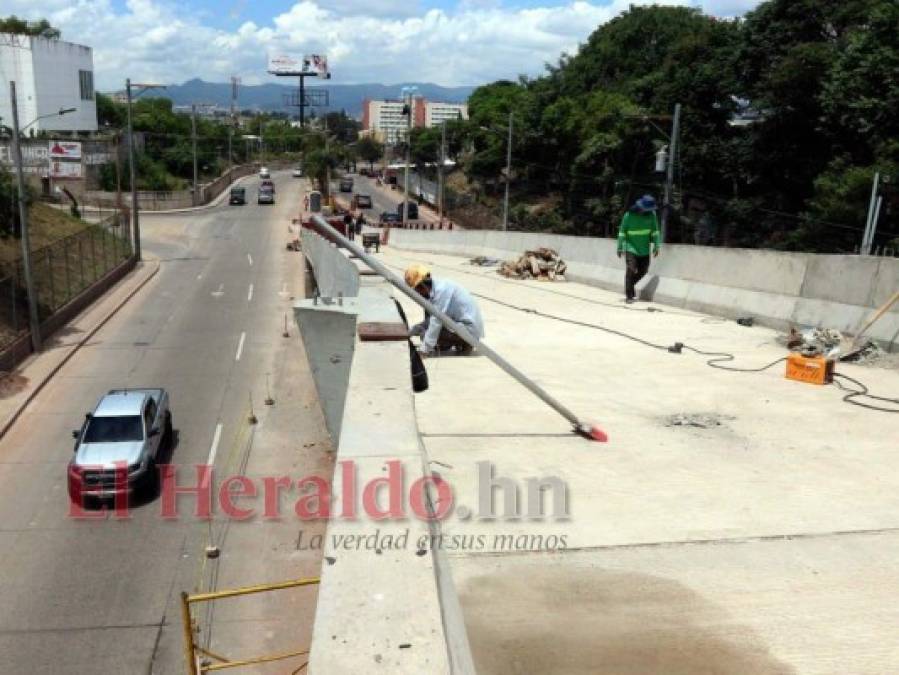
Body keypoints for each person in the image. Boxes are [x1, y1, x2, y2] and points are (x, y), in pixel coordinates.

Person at [404, 264, 484, 356]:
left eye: (417, 290)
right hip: (460, 325)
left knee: (425, 335)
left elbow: (436, 321)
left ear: (422, 286)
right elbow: (429, 320)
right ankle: (451, 343)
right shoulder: (435, 289)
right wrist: (411, 331)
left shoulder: (441, 291)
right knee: (427, 331)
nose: (418, 294)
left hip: (469, 330)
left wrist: (424, 350)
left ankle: (465, 343)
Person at [617, 194, 661, 303]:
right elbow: (622, 232)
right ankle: (629, 296)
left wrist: (656, 245)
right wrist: (620, 246)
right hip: (630, 247)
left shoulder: (652, 216)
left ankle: (630, 285)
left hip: (644, 248)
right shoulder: (628, 216)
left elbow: (655, 232)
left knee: (643, 270)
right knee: (631, 269)